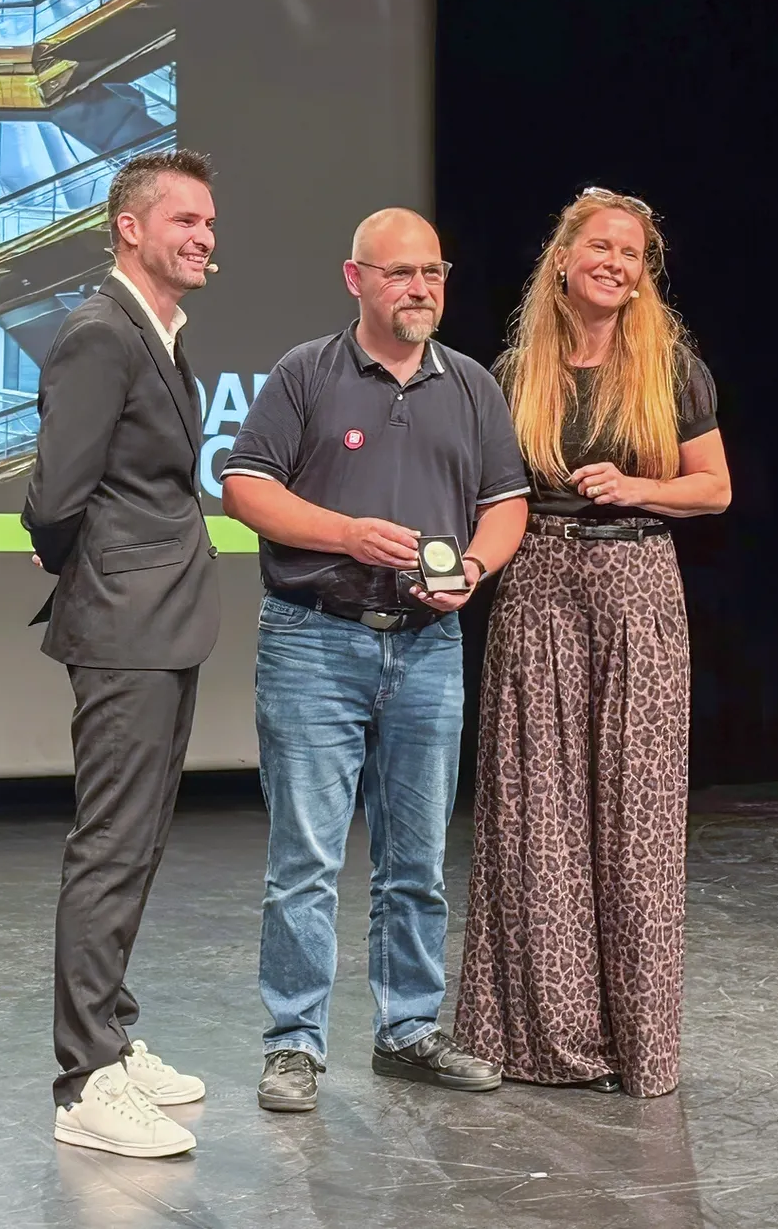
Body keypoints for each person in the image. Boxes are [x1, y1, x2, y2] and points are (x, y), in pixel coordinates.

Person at [220, 208, 530, 1113]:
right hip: (315, 638)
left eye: (433, 272)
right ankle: (293, 1043)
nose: (420, 288)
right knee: (306, 859)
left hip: (428, 644)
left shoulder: (471, 384)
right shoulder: (306, 372)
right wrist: (347, 534)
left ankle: (408, 1029)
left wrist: (474, 566)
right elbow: (244, 488)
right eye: (400, 273)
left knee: (417, 859)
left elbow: (505, 503)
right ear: (356, 279)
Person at [454, 187, 731, 1099]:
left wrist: (639, 487)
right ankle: (545, 1040)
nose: (616, 263)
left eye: (632, 253)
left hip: (636, 586)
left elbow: (715, 489)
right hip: (537, 586)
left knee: (635, 817)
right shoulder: (514, 372)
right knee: (535, 814)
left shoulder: (671, 368)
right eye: (602, 247)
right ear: (564, 259)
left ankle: (637, 1042)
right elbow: (489, 492)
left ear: (643, 275)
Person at [23, 148, 221, 1157]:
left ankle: (114, 1032)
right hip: (125, 623)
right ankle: (86, 1080)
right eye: (185, 220)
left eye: (209, 224)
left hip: (160, 619)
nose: (204, 238)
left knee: (137, 843)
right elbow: (55, 496)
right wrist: (90, 565)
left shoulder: (158, 332)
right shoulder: (101, 333)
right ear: (130, 228)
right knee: (110, 845)